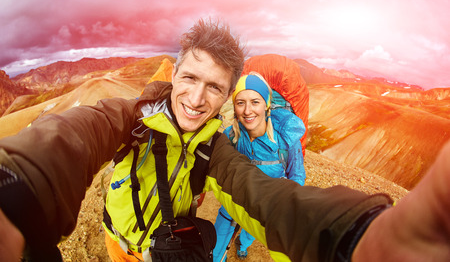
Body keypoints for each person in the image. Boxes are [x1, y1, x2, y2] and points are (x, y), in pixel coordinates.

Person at [0, 18, 448, 262]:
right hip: (120, 244)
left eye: (215, 87)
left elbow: (262, 194)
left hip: (167, 252)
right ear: (172, 74)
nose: (196, 99)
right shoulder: (129, 119)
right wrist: (15, 188)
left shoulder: (218, 149)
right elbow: (74, 134)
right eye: (190, 78)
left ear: (227, 97)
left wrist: (348, 236)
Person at [213, 72, 306, 261]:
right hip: (231, 205)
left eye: (255, 102)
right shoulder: (231, 136)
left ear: (267, 104)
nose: (247, 111)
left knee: (249, 234)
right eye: (241, 103)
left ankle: (242, 244)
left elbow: (296, 175)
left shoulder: (286, 139)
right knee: (214, 251)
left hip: (262, 208)